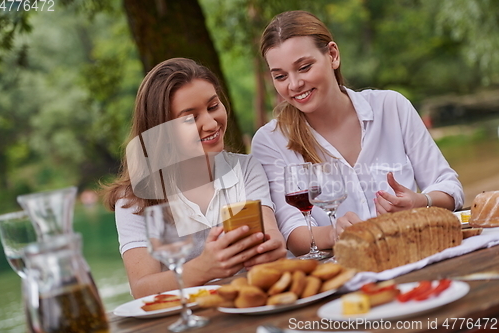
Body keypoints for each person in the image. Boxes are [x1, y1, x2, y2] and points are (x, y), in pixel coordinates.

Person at [251, 11, 464, 257]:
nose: (294, 84)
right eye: (280, 76)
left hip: (415, 253)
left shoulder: (391, 106)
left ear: (332, 55)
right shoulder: (271, 141)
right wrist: (334, 233)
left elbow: (450, 188)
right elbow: (291, 234)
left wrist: (420, 201)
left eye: (304, 67)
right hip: (346, 270)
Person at [102, 58, 286, 298]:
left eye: (212, 106)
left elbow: (269, 237)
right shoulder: (134, 199)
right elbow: (142, 289)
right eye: (189, 118)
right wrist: (203, 268)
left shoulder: (246, 169)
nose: (211, 123)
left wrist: (270, 248)